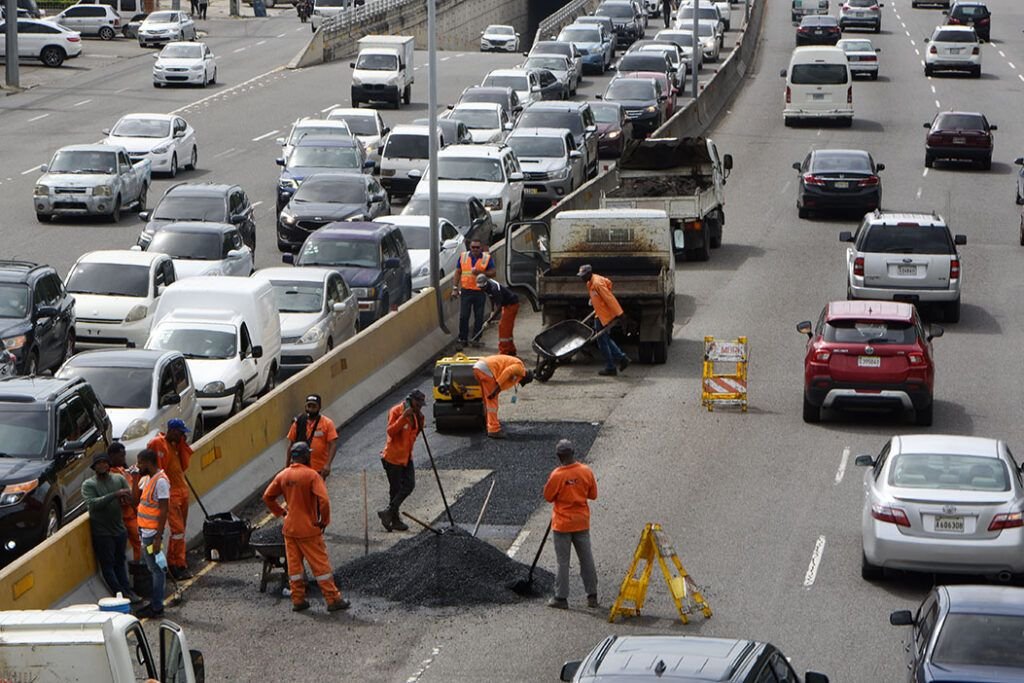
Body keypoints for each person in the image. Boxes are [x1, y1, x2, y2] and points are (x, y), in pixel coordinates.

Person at [262, 442, 350, 613]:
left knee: (294, 567)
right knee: (320, 566)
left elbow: (267, 497)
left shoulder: (283, 475)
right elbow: (323, 501)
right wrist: (324, 521)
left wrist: (281, 513)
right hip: (308, 529)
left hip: (290, 529)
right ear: (305, 456)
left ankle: (298, 599)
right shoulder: (311, 476)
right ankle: (333, 600)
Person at [543, 439, 598, 610]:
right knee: (586, 559)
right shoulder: (586, 471)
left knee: (563, 562)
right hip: (581, 522)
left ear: (559, 456)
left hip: (562, 524)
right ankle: (592, 596)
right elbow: (593, 495)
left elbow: (548, 496)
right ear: (573, 453)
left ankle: (561, 598)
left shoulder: (557, 475)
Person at [82, 451, 140, 603]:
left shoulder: (118, 479)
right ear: (94, 467)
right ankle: (120, 592)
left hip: (119, 529)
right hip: (102, 532)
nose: (102, 465)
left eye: (104, 462)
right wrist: (114, 495)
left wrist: (126, 496)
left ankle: (127, 590)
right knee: (107, 565)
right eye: (99, 463)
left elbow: (130, 498)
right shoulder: (89, 484)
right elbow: (92, 504)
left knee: (120, 561)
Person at [147, 419, 193, 580]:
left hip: (181, 491)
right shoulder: (158, 444)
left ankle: (174, 561)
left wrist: (182, 445)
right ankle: (178, 564)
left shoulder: (175, 445)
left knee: (179, 532)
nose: (182, 436)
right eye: (180, 433)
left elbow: (184, 463)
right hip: (170, 494)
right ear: (173, 431)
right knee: (178, 531)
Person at [377, 389, 425, 532]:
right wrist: (403, 417)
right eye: (418, 404)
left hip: (406, 457)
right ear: (411, 401)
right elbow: (391, 431)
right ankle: (395, 520)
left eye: (422, 404)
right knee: (395, 489)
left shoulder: (417, 415)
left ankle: (388, 512)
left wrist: (420, 419)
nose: (420, 407)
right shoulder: (396, 411)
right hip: (393, 458)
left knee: (409, 485)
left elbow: (415, 433)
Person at [578, 264, 630, 377]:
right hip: (599, 313)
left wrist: (620, 314)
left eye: (583, 275)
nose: (581, 278)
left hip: (605, 315)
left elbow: (610, 299)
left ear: (589, 274)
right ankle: (621, 359)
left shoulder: (597, 284)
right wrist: (593, 300)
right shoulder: (590, 283)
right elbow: (598, 294)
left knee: (602, 341)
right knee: (604, 338)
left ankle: (613, 365)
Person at [136, 448, 170, 618]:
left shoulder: (161, 482)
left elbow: (164, 510)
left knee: (156, 570)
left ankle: (156, 606)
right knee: (154, 568)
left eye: (140, 463)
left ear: (148, 463)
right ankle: (156, 604)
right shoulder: (148, 479)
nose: (138, 466)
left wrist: (158, 537)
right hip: (145, 532)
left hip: (152, 534)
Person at [471, 354, 534, 439]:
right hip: (487, 370)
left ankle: (487, 423)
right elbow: (507, 372)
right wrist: (495, 390)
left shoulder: (515, 364)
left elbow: (506, 376)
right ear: (525, 376)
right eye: (524, 382)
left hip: (478, 368)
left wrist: (497, 388)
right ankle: (494, 430)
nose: (521, 383)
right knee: (492, 403)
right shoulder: (520, 369)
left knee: (487, 400)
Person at [286, 394, 339, 481]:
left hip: (318, 469)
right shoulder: (298, 422)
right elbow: (291, 445)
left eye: (314, 406)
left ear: (319, 407)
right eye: (309, 406)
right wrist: (287, 467)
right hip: (300, 468)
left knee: (317, 493)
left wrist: (328, 464)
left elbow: (333, 444)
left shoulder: (327, 423)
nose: (311, 409)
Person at [454, 239, 496, 348]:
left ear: (481, 248)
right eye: (473, 247)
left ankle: (476, 339)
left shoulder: (486, 258)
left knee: (479, 317)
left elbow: (493, 273)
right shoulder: (463, 257)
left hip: (479, 292)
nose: (475, 249)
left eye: (477, 247)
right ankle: (462, 338)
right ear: (470, 247)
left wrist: (481, 272)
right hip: (466, 291)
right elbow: (458, 272)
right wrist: (455, 288)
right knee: (464, 316)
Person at [108, 442, 142, 564]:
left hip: (133, 513)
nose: (123, 459)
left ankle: (143, 567)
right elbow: (128, 497)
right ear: (112, 456)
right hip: (125, 517)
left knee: (141, 543)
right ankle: (140, 568)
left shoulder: (123, 470)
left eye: (124, 456)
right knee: (138, 543)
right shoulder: (112, 475)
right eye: (121, 456)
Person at [477, 274, 519, 356]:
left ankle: (504, 351)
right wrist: (492, 310)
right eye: (480, 288)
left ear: (486, 284)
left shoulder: (494, 288)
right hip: (506, 305)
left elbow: (499, 307)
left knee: (503, 327)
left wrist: (489, 320)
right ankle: (511, 350)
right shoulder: (486, 287)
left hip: (511, 305)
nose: (481, 289)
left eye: (482, 288)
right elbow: (491, 298)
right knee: (507, 328)